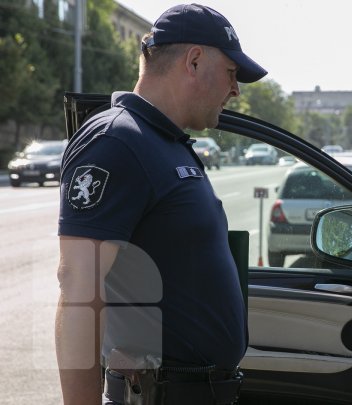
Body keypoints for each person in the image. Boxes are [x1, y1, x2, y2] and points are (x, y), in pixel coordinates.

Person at [55, 4, 267, 404]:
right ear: (195, 60)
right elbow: (79, 288)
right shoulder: (117, 141)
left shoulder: (162, 142)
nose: (236, 90)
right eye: (231, 74)